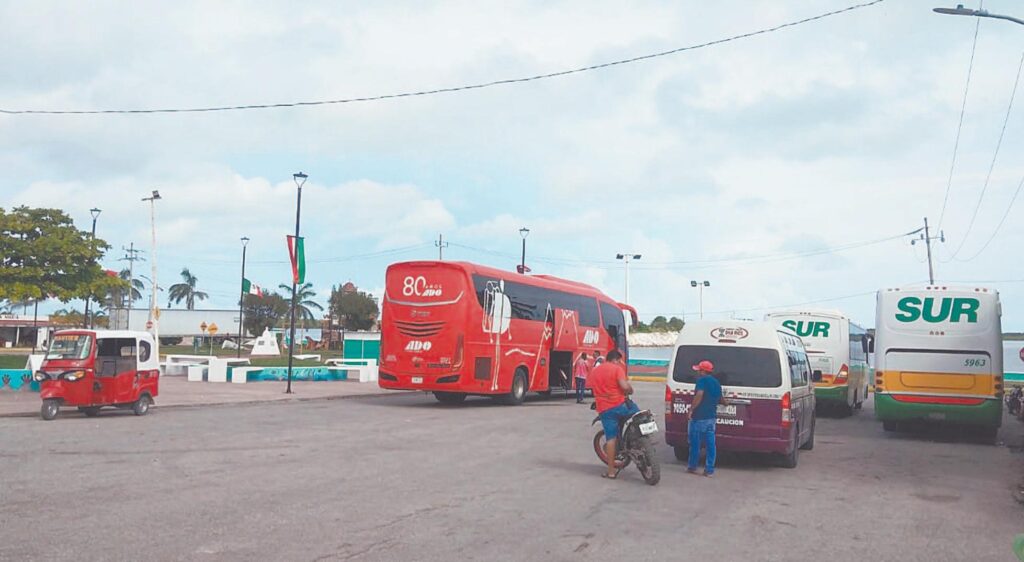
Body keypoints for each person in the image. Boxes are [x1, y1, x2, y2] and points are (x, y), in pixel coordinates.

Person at [589, 350, 637, 479]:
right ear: (615, 359)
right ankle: (639, 439)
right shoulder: (616, 369)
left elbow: (593, 387)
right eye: (619, 361)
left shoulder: (595, 371)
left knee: (611, 438)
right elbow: (624, 386)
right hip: (620, 405)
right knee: (638, 415)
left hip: (605, 408)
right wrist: (630, 389)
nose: (620, 363)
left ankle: (611, 471)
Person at [687, 360, 724, 477]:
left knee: (695, 444)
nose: (697, 372)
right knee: (711, 445)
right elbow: (721, 399)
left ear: (703, 371)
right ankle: (709, 469)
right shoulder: (717, 383)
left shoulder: (701, 381)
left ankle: (692, 466)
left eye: (699, 370)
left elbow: (699, 395)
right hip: (711, 418)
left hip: (699, 417)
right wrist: (727, 403)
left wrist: (691, 409)